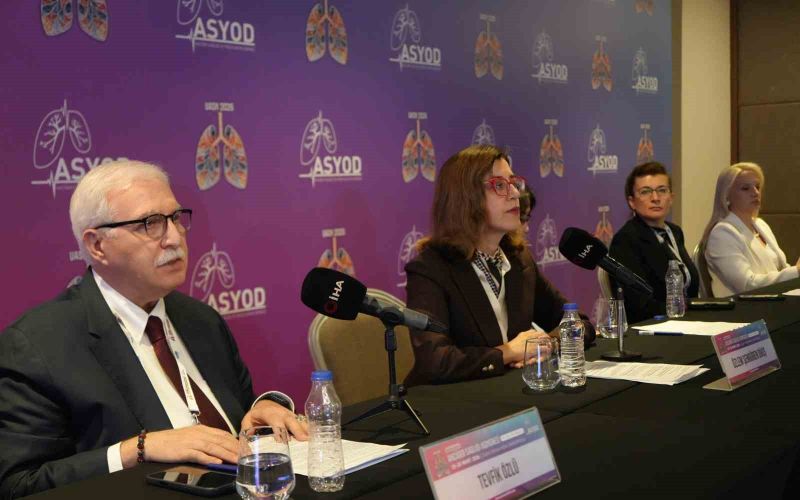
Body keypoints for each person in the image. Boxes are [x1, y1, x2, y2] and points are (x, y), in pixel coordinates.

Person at [0, 161, 308, 498]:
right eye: (151, 224)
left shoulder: (201, 319)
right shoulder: (39, 345)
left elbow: (239, 418)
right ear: (97, 245)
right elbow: (18, 483)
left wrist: (262, 411)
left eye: (175, 218)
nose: (174, 238)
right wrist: (136, 450)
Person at [403, 145, 595, 386]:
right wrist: (507, 353)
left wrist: (546, 344)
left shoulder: (518, 259)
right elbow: (435, 361)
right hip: (449, 401)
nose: (515, 194)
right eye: (499, 185)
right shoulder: (431, 269)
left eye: (513, 183)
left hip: (508, 392)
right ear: (466, 198)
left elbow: (578, 323)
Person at [609, 162, 699, 323]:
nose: (655, 198)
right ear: (632, 202)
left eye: (662, 190)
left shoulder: (675, 232)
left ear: (671, 197)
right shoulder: (626, 240)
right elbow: (637, 303)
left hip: (686, 319)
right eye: (645, 192)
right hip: (653, 325)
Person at [701, 162, 799, 296]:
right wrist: (796, 272)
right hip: (745, 307)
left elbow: (781, 270)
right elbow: (747, 285)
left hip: (775, 302)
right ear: (726, 195)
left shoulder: (761, 225)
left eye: (757, 187)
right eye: (745, 188)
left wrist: (795, 272)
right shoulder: (722, 234)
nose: (755, 192)